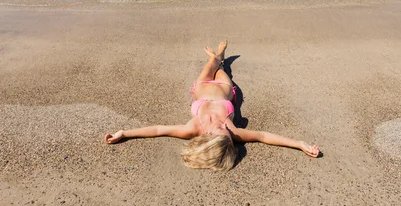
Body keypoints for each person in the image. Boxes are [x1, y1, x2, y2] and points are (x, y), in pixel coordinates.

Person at [105, 41, 320, 172]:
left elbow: (159, 130)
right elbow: (264, 136)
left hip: (202, 86)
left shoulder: (193, 129)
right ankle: (220, 57)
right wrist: (299, 144)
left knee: (211, 65)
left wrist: (124, 133)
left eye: (222, 132)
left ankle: (216, 57)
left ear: (207, 135)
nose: (226, 130)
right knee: (221, 68)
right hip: (226, 87)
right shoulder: (233, 133)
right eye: (227, 134)